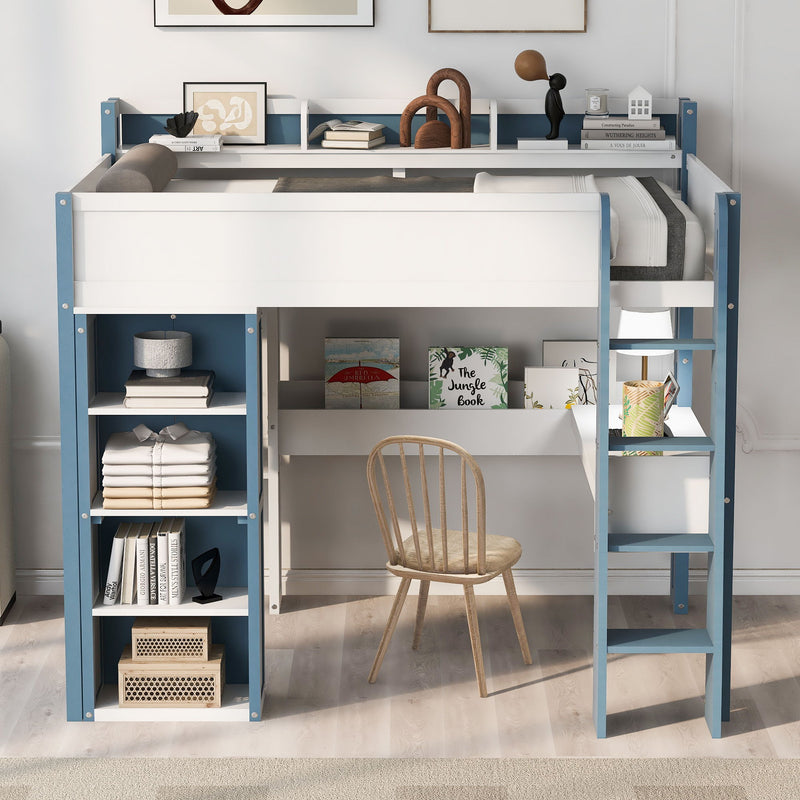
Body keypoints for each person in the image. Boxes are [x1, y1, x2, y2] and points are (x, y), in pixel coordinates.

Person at [545, 73, 567, 139]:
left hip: (555, 113)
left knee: (554, 124)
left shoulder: (553, 92)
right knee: (553, 124)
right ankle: (552, 133)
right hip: (552, 112)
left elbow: (558, 103)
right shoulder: (553, 91)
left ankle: (554, 134)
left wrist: (561, 110)